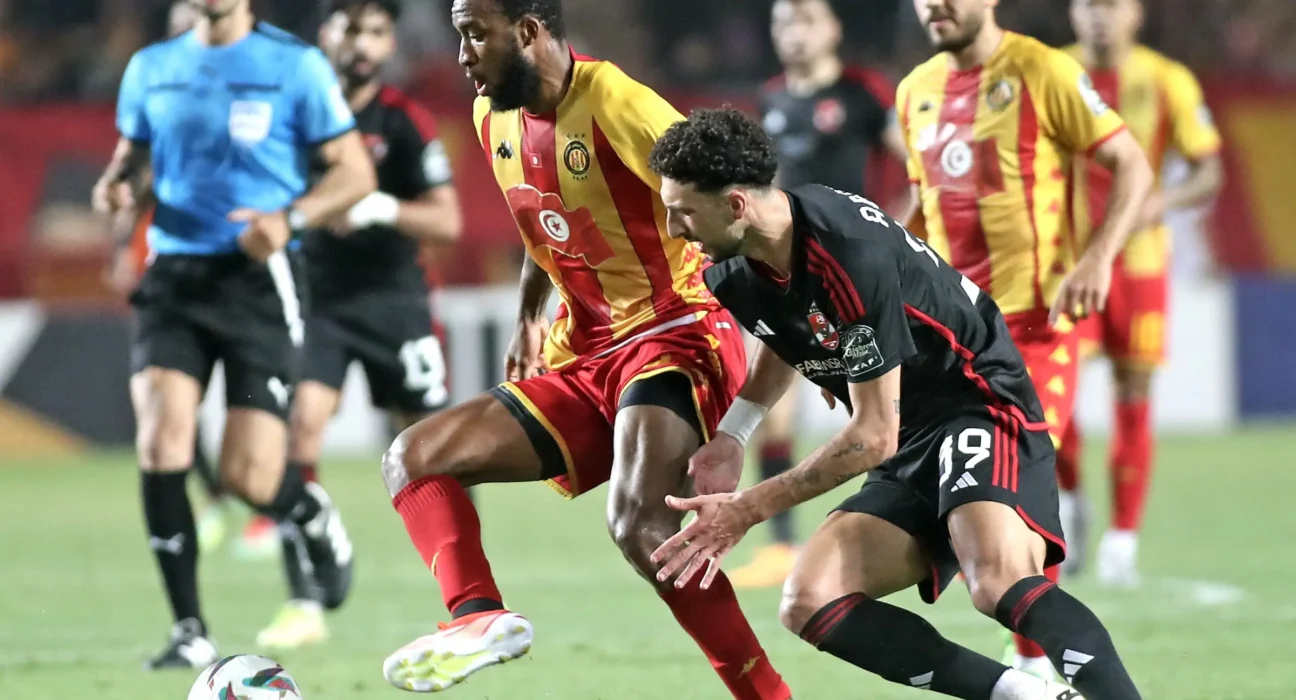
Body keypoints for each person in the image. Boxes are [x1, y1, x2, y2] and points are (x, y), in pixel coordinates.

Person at [647, 106, 1144, 700]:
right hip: (909, 428)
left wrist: (747, 507)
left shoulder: (847, 251)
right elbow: (785, 329)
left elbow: (871, 436)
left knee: (996, 582)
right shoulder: (734, 264)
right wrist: (734, 433)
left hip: (975, 402)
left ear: (735, 205)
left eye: (682, 211)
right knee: (810, 598)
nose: (674, 229)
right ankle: (1029, 696)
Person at [377, 0, 791, 697]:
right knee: (413, 458)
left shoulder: (618, 103)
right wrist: (529, 315)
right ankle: (478, 617)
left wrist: (799, 296)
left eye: (476, 35)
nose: (462, 54)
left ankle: (767, 694)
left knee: (640, 523)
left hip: (677, 331)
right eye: (459, 36)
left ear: (530, 33)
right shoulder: (492, 117)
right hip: (588, 352)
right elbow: (549, 223)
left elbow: (738, 199)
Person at [91, 0, 375, 670]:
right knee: (162, 441)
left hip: (259, 275)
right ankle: (189, 628)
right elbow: (132, 157)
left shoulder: (294, 65)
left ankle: (306, 512)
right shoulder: (151, 67)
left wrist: (292, 217)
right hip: (174, 274)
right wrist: (117, 184)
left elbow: (354, 172)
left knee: (252, 476)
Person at [892, 0, 1154, 678]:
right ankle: (1029, 661)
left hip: (1036, 331)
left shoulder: (1044, 71)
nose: (935, 6)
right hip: (947, 341)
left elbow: (1132, 165)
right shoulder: (913, 91)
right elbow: (921, 206)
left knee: (1012, 500)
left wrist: (1097, 257)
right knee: (963, 507)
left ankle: (1034, 665)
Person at [252, 0, 465, 650]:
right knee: (300, 432)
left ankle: (467, 597)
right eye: (352, 28)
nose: (364, 42)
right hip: (318, 301)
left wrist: (379, 209)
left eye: (376, 30)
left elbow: (448, 223)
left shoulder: (403, 122)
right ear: (327, 35)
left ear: (389, 40)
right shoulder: (294, 115)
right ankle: (304, 600)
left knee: (431, 451)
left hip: (394, 300)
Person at [729, 0, 913, 590]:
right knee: (775, 408)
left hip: (859, 274)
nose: (795, 34)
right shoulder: (772, 101)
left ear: (833, 28)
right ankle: (783, 546)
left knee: (882, 412)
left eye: (807, 21)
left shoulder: (863, 94)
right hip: (796, 274)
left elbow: (917, 167)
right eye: (783, 23)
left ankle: (907, 525)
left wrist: (896, 235)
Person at [1059, 0, 1223, 585]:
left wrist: (1163, 202)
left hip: (1140, 265)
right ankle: (1072, 502)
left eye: (1111, 5)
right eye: (1088, 5)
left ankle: (1122, 541)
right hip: (1067, 264)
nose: (1099, 16)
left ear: (1136, 13)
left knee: (1134, 395)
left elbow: (1208, 169)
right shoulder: (1054, 72)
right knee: (1051, 395)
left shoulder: (1167, 78)